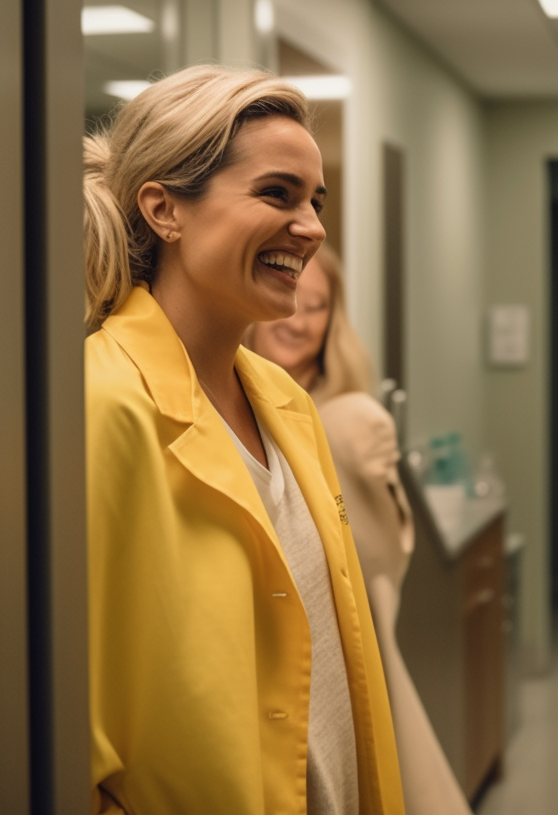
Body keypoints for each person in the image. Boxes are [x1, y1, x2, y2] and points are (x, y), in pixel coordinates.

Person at [82, 65, 404, 815]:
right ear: (165, 209)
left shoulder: (285, 403)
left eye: (315, 201)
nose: (314, 227)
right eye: (276, 194)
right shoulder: (103, 405)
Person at [247, 245, 475, 815]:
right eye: (292, 299)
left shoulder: (349, 422)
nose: (298, 320)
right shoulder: (230, 405)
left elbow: (377, 565)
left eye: (317, 307)